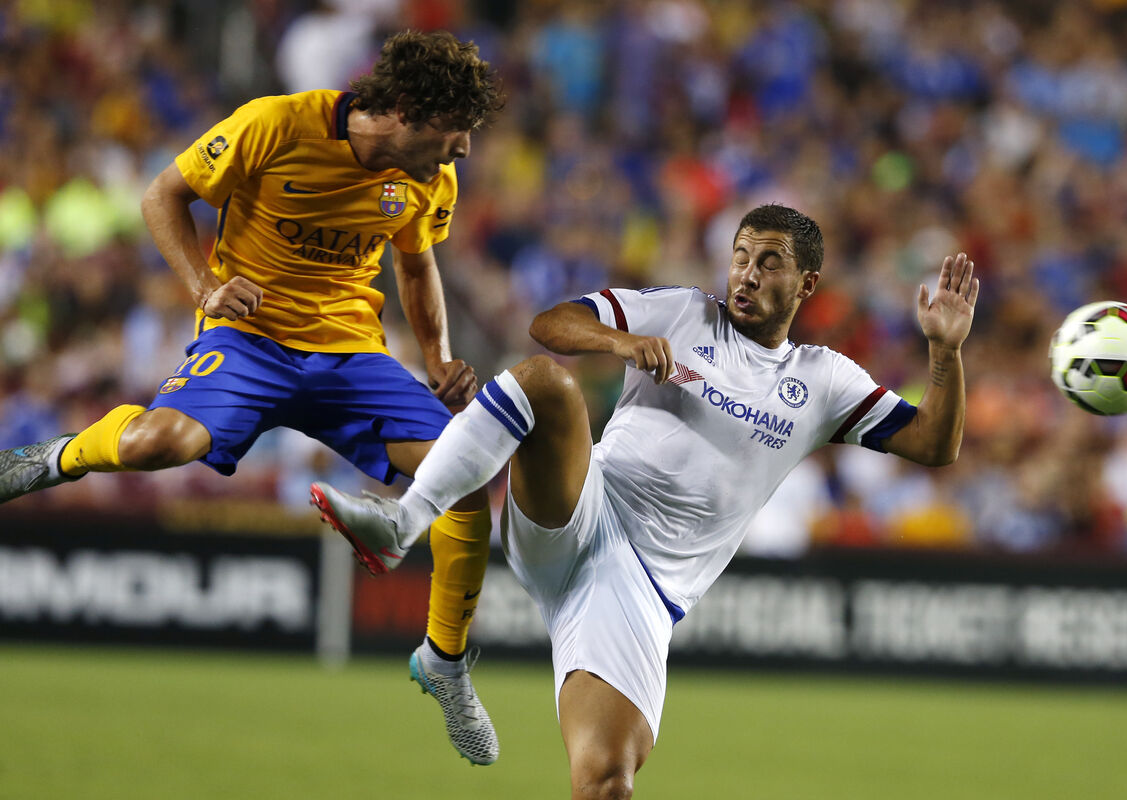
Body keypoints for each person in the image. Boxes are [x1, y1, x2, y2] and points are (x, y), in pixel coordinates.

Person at [312, 203, 980, 797]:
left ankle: (442, 649)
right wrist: (621, 342)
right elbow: (551, 324)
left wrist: (944, 352)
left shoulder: (823, 379)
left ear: (807, 284)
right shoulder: (685, 312)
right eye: (741, 257)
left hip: (641, 592)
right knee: (546, 383)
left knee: (606, 781)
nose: (747, 275)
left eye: (769, 263)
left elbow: (934, 443)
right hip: (582, 510)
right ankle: (402, 521)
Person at [0, 30, 504, 766]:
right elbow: (162, 195)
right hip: (249, 341)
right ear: (404, 109)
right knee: (158, 444)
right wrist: (205, 287)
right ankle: (52, 458)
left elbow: (416, 263)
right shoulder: (277, 123)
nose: (463, 149)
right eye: (455, 130)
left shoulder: (430, 179)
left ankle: (445, 662)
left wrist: (438, 357)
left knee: (464, 476)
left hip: (350, 355)